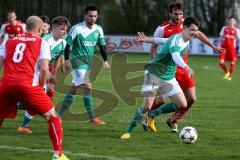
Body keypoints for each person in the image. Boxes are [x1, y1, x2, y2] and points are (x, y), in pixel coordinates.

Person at [142, 2, 225, 133]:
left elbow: (199, 34)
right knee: (163, 99)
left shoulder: (186, 24)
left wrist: (213, 46)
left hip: (183, 68)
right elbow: (154, 46)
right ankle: (148, 116)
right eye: (176, 14)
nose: (179, 16)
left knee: (192, 98)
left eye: (181, 14)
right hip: (168, 68)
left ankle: (174, 119)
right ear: (170, 13)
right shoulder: (162, 28)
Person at [0, 16, 69, 160]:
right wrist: (40, 87)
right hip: (27, 85)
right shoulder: (41, 42)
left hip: (6, 83)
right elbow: (44, 70)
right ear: (39, 29)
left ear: (25, 27)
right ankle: (58, 155)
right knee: (53, 117)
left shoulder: (9, 41)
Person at [120, 16, 199, 139]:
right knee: (146, 106)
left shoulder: (184, 39)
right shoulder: (177, 41)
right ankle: (128, 131)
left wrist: (148, 39)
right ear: (184, 28)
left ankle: (153, 114)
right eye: (192, 30)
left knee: (182, 104)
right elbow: (176, 56)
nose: (194, 33)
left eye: (196, 30)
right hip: (154, 73)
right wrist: (186, 66)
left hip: (168, 76)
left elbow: (163, 40)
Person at [17, 16, 70, 135]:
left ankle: (22, 123)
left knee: (35, 102)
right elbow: (37, 61)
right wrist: (49, 75)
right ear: (54, 28)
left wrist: (54, 75)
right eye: (62, 29)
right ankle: (17, 112)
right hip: (34, 72)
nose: (64, 32)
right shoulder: (45, 40)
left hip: (43, 73)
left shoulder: (63, 42)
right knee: (37, 102)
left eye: (66, 30)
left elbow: (57, 59)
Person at [58, 5, 109, 125]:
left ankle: (58, 115)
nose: (93, 18)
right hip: (77, 62)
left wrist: (105, 60)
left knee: (73, 90)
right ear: (85, 16)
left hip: (87, 64)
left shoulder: (98, 29)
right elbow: (67, 45)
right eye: (90, 16)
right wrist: (66, 59)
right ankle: (92, 119)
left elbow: (102, 46)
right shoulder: (77, 28)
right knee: (88, 87)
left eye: (95, 16)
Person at [219, 17, 240, 81]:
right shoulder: (224, 28)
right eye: (230, 20)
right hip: (224, 48)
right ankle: (227, 72)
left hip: (232, 49)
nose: (231, 22)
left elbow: (239, 40)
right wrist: (219, 45)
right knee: (221, 62)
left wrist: (239, 49)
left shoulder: (237, 30)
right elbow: (220, 37)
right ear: (228, 21)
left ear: (235, 23)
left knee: (232, 63)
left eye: (232, 21)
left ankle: (230, 76)